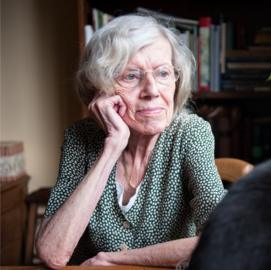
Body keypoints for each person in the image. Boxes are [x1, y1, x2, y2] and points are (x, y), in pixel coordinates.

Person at [36, 14, 225, 268]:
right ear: (100, 87)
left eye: (163, 73)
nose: (152, 90)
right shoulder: (80, 138)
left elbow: (223, 236)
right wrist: (112, 147)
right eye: (131, 76)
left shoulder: (190, 134)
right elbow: (52, 253)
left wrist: (116, 260)